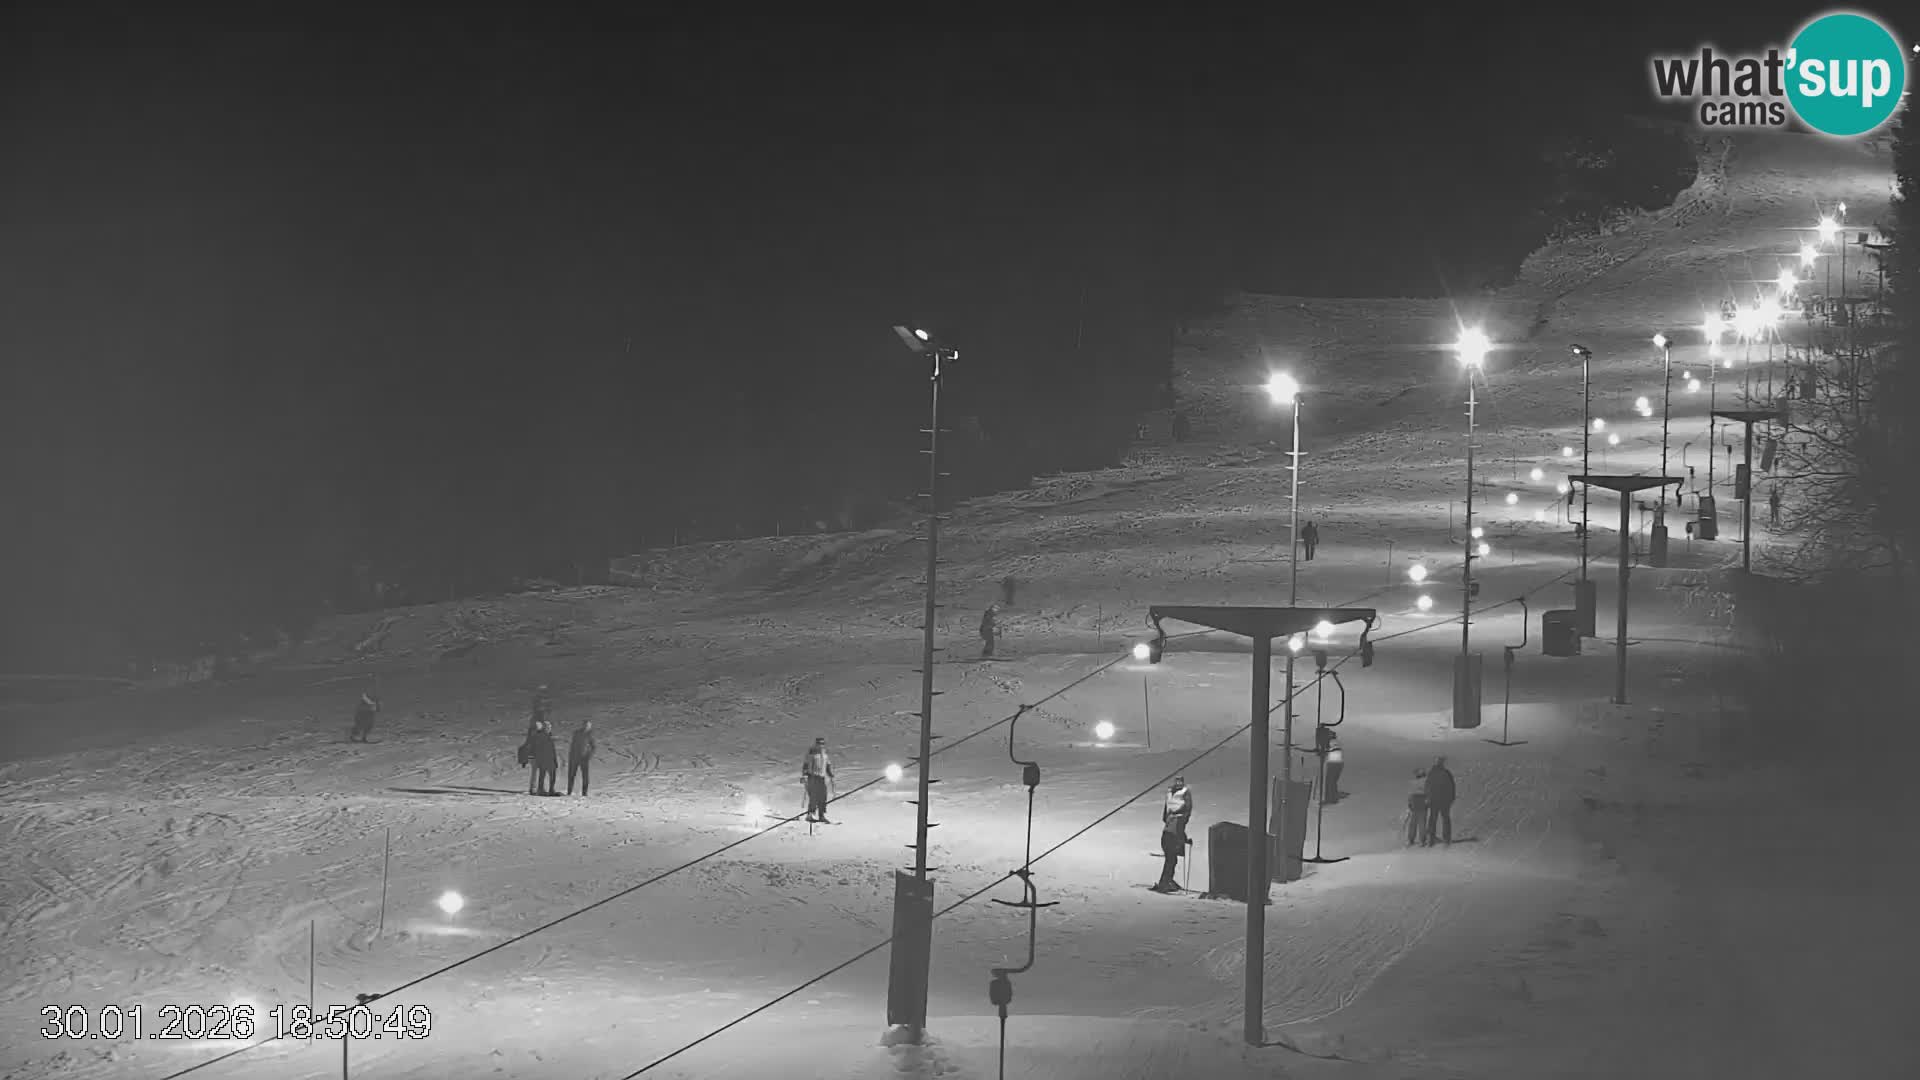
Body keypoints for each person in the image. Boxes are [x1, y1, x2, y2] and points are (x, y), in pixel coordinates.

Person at [1153, 777, 1194, 892]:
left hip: (1170, 830)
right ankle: (1165, 882)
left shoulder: (1182, 793)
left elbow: (1186, 809)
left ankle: (1166, 881)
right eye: (1177, 781)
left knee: (1171, 858)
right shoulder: (1171, 793)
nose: (1178, 783)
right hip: (1171, 830)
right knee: (1171, 858)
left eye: (1180, 781)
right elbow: (1184, 811)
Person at [1423, 756, 1456, 846]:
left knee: (1433, 818)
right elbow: (1452, 786)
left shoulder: (1432, 773)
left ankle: (1431, 838)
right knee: (1445, 818)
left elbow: (1427, 787)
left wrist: (1427, 798)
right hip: (1444, 800)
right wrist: (1451, 798)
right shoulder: (1446, 773)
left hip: (1435, 800)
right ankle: (1446, 838)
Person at [802, 737, 835, 823]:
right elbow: (805, 765)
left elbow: (828, 765)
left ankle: (821, 815)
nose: (821, 745)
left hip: (822, 778)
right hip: (813, 777)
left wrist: (830, 773)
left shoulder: (825, 755)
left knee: (823, 797)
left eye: (822, 743)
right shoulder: (811, 754)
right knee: (813, 797)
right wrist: (805, 775)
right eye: (819, 743)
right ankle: (810, 814)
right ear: (816, 744)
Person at [567, 720, 596, 796]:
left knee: (585, 776)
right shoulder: (576, 733)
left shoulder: (589, 735)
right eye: (586, 725)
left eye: (589, 726)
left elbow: (593, 747)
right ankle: (569, 792)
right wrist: (571, 756)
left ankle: (584, 793)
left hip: (584, 758)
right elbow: (572, 745)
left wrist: (588, 756)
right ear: (583, 725)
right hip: (574, 758)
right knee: (571, 775)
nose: (587, 727)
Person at [532, 720, 560, 796]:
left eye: (550, 727)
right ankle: (541, 790)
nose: (549, 728)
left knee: (551, 775)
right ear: (544, 728)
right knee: (543, 775)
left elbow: (552, 749)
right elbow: (537, 749)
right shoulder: (541, 736)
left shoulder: (549, 735)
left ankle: (550, 790)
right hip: (544, 760)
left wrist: (555, 760)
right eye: (547, 727)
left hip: (550, 759)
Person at [1317, 725, 1344, 802]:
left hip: (1335, 764)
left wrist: (1325, 751)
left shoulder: (1333, 742)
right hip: (1335, 763)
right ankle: (1332, 797)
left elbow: (1333, 749)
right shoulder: (1332, 742)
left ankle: (1331, 798)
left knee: (1330, 781)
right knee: (1331, 781)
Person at [1406, 768, 1430, 846]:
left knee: (1413, 822)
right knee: (1422, 822)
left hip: (1414, 801)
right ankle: (1422, 840)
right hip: (1423, 801)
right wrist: (1428, 803)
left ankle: (1410, 839)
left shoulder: (1412, 783)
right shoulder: (1427, 782)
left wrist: (1410, 804)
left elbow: (1410, 794)